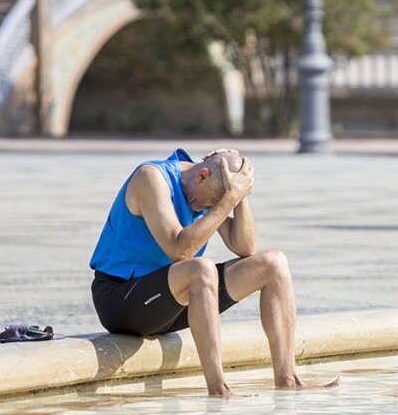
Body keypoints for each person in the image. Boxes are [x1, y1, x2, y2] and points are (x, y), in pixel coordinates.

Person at [89, 147, 339, 397]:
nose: (209, 207)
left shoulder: (208, 190)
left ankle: (288, 379)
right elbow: (180, 251)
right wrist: (227, 200)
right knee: (201, 268)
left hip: (170, 302)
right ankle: (218, 388)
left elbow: (245, 247)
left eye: (219, 203)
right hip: (121, 301)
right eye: (212, 202)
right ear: (202, 175)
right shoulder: (151, 178)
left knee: (274, 264)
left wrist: (241, 192)